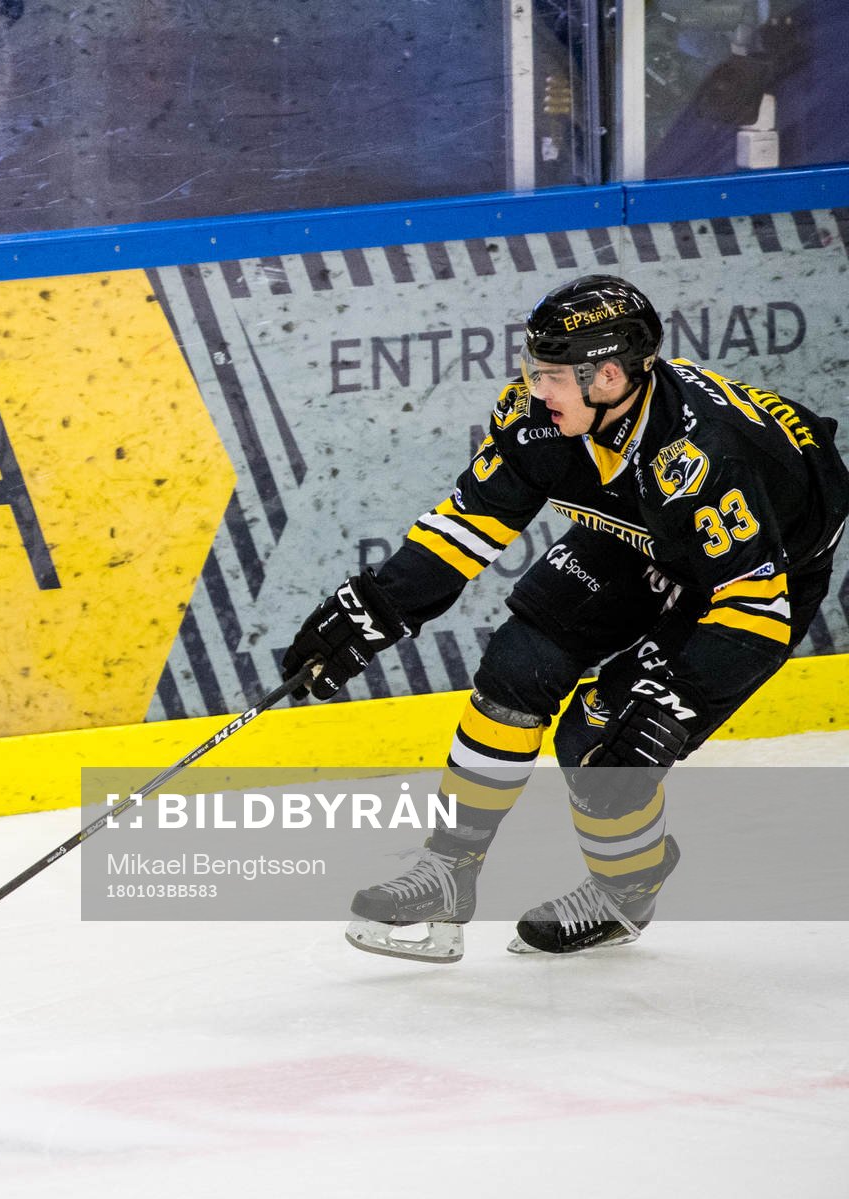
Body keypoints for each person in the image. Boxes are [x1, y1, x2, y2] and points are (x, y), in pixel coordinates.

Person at [282, 274, 847, 962]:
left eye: (552, 375)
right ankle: (447, 871)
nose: (534, 388)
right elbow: (467, 525)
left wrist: (673, 708)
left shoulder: (704, 457)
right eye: (534, 369)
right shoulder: (542, 417)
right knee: (517, 669)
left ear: (608, 376)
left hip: (752, 570)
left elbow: (754, 609)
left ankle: (625, 890)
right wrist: (375, 606)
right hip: (636, 531)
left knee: (603, 747)